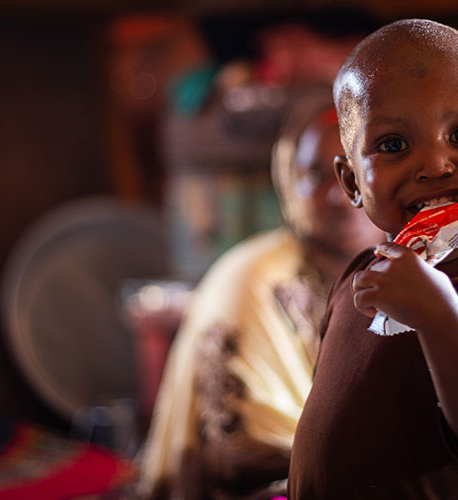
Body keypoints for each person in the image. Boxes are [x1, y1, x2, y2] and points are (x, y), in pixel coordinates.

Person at [288, 19, 458, 499]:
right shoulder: (358, 276)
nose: (434, 165)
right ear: (351, 182)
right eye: (393, 145)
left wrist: (437, 313)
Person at [136, 86, 384, 500]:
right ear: (287, 179)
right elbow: (245, 452)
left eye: (357, 172)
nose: (339, 196)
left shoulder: (409, 269)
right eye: (317, 175)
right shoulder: (254, 277)